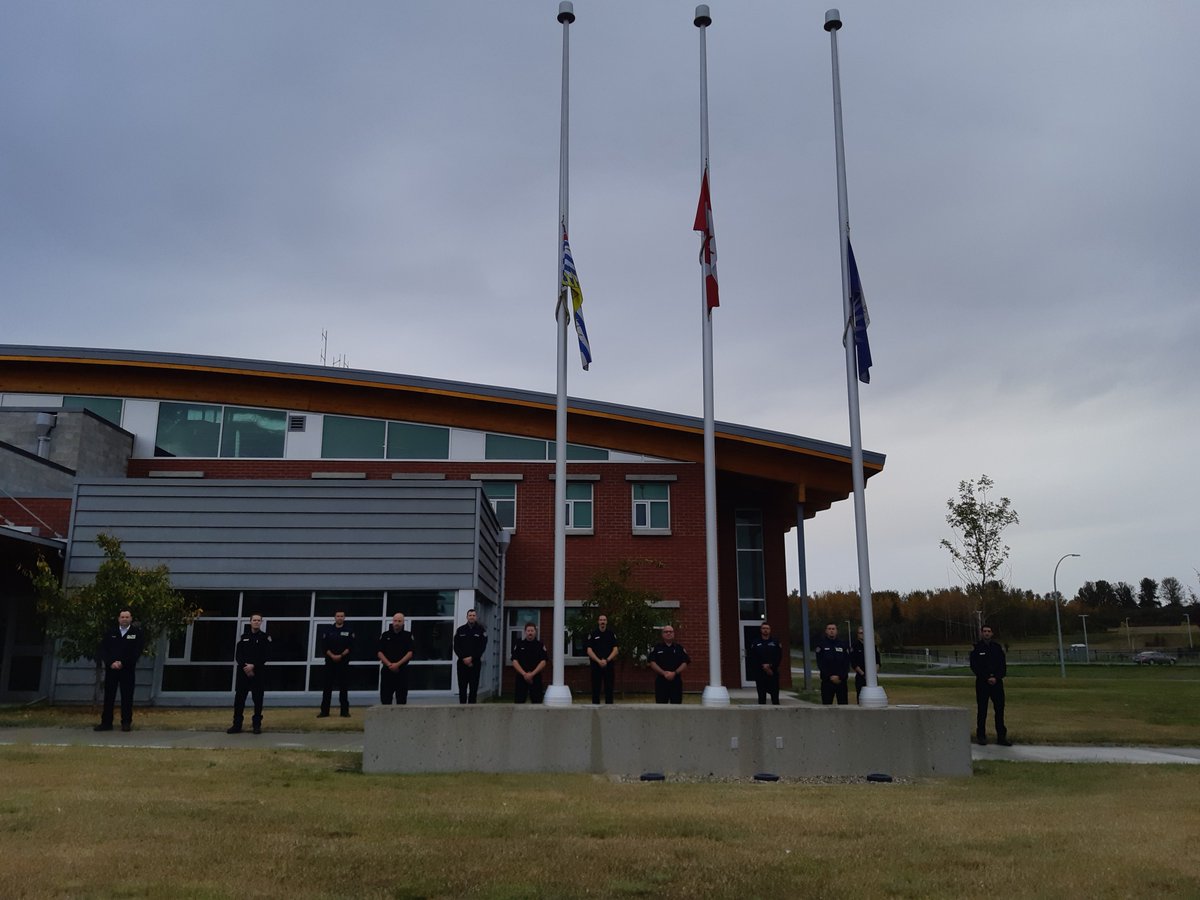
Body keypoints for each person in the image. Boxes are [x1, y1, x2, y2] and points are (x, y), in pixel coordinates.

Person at [94, 608, 145, 732]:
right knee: (109, 696)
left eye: (127, 617)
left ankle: (126, 722)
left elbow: (136, 652)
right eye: (122, 617)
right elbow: (103, 650)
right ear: (118, 619)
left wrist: (123, 663)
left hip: (127, 670)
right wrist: (111, 662)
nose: (124, 619)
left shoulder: (136, 633)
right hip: (112, 670)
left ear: (131, 619)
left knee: (127, 697)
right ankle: (106, 723)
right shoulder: (111, 632)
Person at [228, 613, 271, 734]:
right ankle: (237, 725)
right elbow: (239, 654)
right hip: (243, 674)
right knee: (239, 700)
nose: (256, 622)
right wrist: (245, 667)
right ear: (250, 622)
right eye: (254, 620)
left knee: (258, 700)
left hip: (258, 674)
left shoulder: (265, 638)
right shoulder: (244, 637)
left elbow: (266, 655)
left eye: (258, 620)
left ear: (261, 622)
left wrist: (254, 666)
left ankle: (256, 725)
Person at [970, 624, 1011, 745]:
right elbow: (975, 666)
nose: (987, 633)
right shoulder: (977, 648)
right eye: (985, 631)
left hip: (997, 684)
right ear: (981, 633)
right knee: (982, 710)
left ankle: (1001, 737)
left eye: (989, 631)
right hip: (982, 684)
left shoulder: (997, 648)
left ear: (992, 633)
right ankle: (981, 736)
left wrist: (996, 677)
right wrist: (986, 677)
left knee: (999, 710)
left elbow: (1002, 665)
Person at [318, 610, 354, 718]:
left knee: (343, 688)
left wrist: (341, 656)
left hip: (343, 663)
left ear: (344, 618)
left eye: (342, 616)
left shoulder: (349, 631)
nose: (339, 618)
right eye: (338, 616)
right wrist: (333, 656)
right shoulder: (328, 631)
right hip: (330, 663)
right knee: (327, 688)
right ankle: (324, 712)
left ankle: (344, 712)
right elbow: (324, 647)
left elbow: (350, 647)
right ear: (334, 617)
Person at [378, 612, 414, 705]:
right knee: (385, 698)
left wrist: (397, 664)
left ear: (403, 623)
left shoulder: (408, 636)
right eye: (395, 621)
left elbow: (410, 653)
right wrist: (389, 664)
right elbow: (379, 652)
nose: (397, 623)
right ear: (392, 622)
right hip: (387, 670)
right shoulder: (385, 635)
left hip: (401, 671)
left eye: (399, 621)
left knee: (401, 699)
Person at [648, 625, 690, 704]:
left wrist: (674, 673)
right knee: (661, 706)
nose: (668, 633)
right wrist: (664, 673)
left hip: (676, 681)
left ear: (673, 634)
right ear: (662, 634)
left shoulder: (679, 648)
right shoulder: (657, 648)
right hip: (661, 681)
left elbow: (685, 662)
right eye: (666, 632)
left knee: (676, 705)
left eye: (670, 632)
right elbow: (652, 662)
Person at [454, 608, 487, 704]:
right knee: (462, 687)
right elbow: (456, 646)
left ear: (476, 617)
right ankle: (462, 708)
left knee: (473, 687)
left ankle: (472, 709)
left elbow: (482, 647)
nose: (472, 617)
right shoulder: (460, 630)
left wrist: (471, 658)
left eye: (473, 615)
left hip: (475, 663)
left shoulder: (481, 630)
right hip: (462, 663)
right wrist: (464, 658)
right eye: (470, 615)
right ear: (467, 617)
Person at [585, 614, 619, 704]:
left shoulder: (611, 634)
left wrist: (607, 660)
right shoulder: (593, 634)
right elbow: (589, 650)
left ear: (606, 622)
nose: (602, 622)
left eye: (604, 620)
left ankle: (609, 710)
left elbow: (615, 650)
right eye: (601, 620)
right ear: (598, 622)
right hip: (596, 666)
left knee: (609, 689)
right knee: (595, 689)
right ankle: (595, 711)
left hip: (608, 665)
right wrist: (598, 661)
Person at [511, 623, 548, 704]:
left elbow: (543, 661)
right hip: (521, 677)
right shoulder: (519, 644)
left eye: (532, 630)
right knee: (519, 702)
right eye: (528, 631)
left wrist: (532, 674)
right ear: (525, 632)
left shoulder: (540, 645)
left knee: (537, 702)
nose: (530, 632)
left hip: (536, 677)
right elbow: (514, 661)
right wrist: (524, 674)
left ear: (535, 632)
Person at [815, 622, 850, 706]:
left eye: (833, 629)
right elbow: (820, 664)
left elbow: (846, 663)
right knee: (826, 706)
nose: (831, 631)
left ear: (836, 631)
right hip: (827, 681)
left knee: (843, 706)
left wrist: (840, 676)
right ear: (826, 631)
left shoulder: (843, 644)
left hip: (841, 681)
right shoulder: (821, 645)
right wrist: (830, 677)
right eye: (829, 629)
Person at [748, 621, 782, 705]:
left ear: (770, 630)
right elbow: (753, 657)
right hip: (760, 673)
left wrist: (770, 666)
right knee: (761, 696)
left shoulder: (775, 642)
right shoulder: (755, 643)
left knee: (775, 696)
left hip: (772, 672)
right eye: (763, 628)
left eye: (767, 628)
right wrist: (763, 667)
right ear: (760, 630)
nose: (765, 630)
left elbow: (779, 656)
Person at [850, 625, 881, 704]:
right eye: (860, 633)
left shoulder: (873, 646)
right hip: (861, 677)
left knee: (874, 698)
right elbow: (854, 663)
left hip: (873, 678)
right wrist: (864, 674)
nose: (862, 634)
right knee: (861, 698)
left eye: (864, 633)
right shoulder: (855, 646)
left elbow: (877, 662)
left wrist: (873, 674)